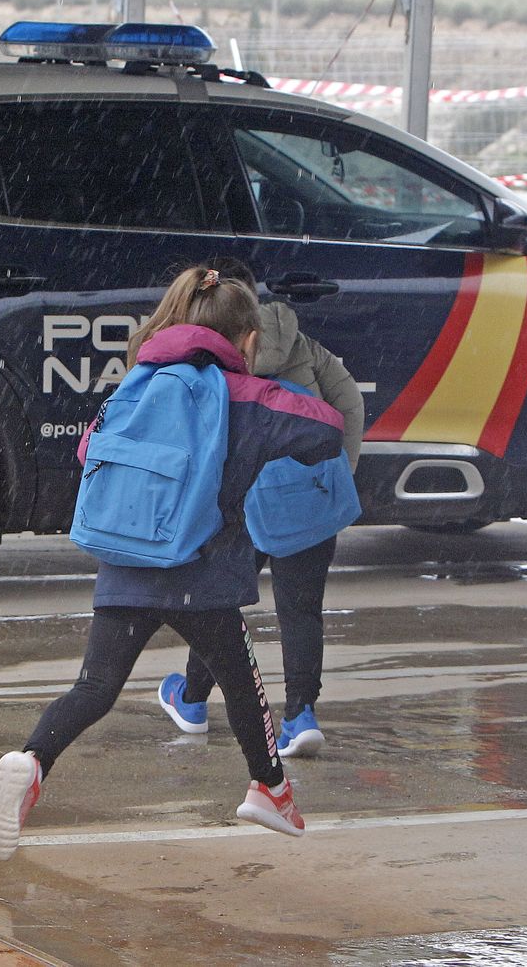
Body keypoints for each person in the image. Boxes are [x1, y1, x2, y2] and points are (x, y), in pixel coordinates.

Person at [0, 266, 344, 860]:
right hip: (200, 573)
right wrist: (269, 387)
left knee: (94, 687)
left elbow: (87, 448)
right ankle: (270, 788)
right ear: (246, 339)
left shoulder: (137, 382)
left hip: (125, 563)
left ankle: (32, 759)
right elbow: (325, 430)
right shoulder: (240, 396)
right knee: (244, 684)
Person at [157, 258, 363, 758]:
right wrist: (335, 474)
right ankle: (299, 714)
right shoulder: (300, 343)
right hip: (303, 495)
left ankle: (193, 698)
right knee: (300, 609)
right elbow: (348, 403)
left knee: (217, 601)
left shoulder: (199, 360)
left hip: (237, 497)